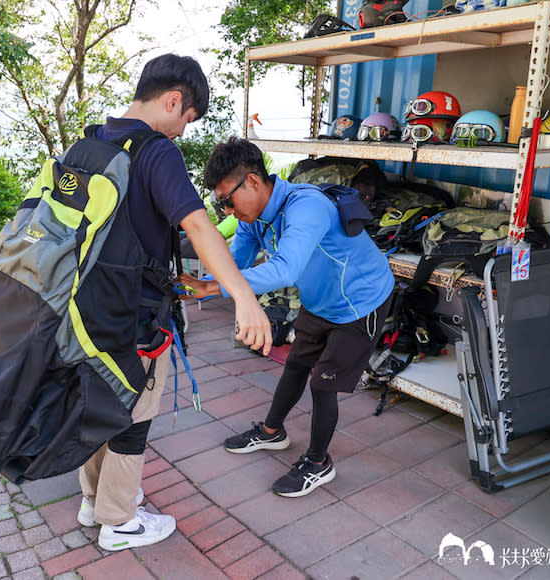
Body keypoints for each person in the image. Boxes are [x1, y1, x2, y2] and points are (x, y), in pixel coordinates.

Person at [76, 56, 272, 550]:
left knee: (95, 402)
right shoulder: (155, 151)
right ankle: (119, 521)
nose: (184, 131)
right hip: (134, 316)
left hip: (83, 306)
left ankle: (93, 498)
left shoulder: (89, 141)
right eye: (187, 118)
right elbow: (198, 225)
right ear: (174, 100)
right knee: (133, 411)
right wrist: (244, 298)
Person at [178, 137, 394, 498]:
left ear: (252, 181)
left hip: (361, 302)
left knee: (323, 383)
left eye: (227, 201)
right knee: (296, 365)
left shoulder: (306, 206)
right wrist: (203, 282)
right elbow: (237, 264)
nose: (227, 211)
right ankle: (271, 431)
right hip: (320, 301)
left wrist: (213, 290)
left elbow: (285, 270)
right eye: (220, 206)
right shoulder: (253, 218)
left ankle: (318, 462)